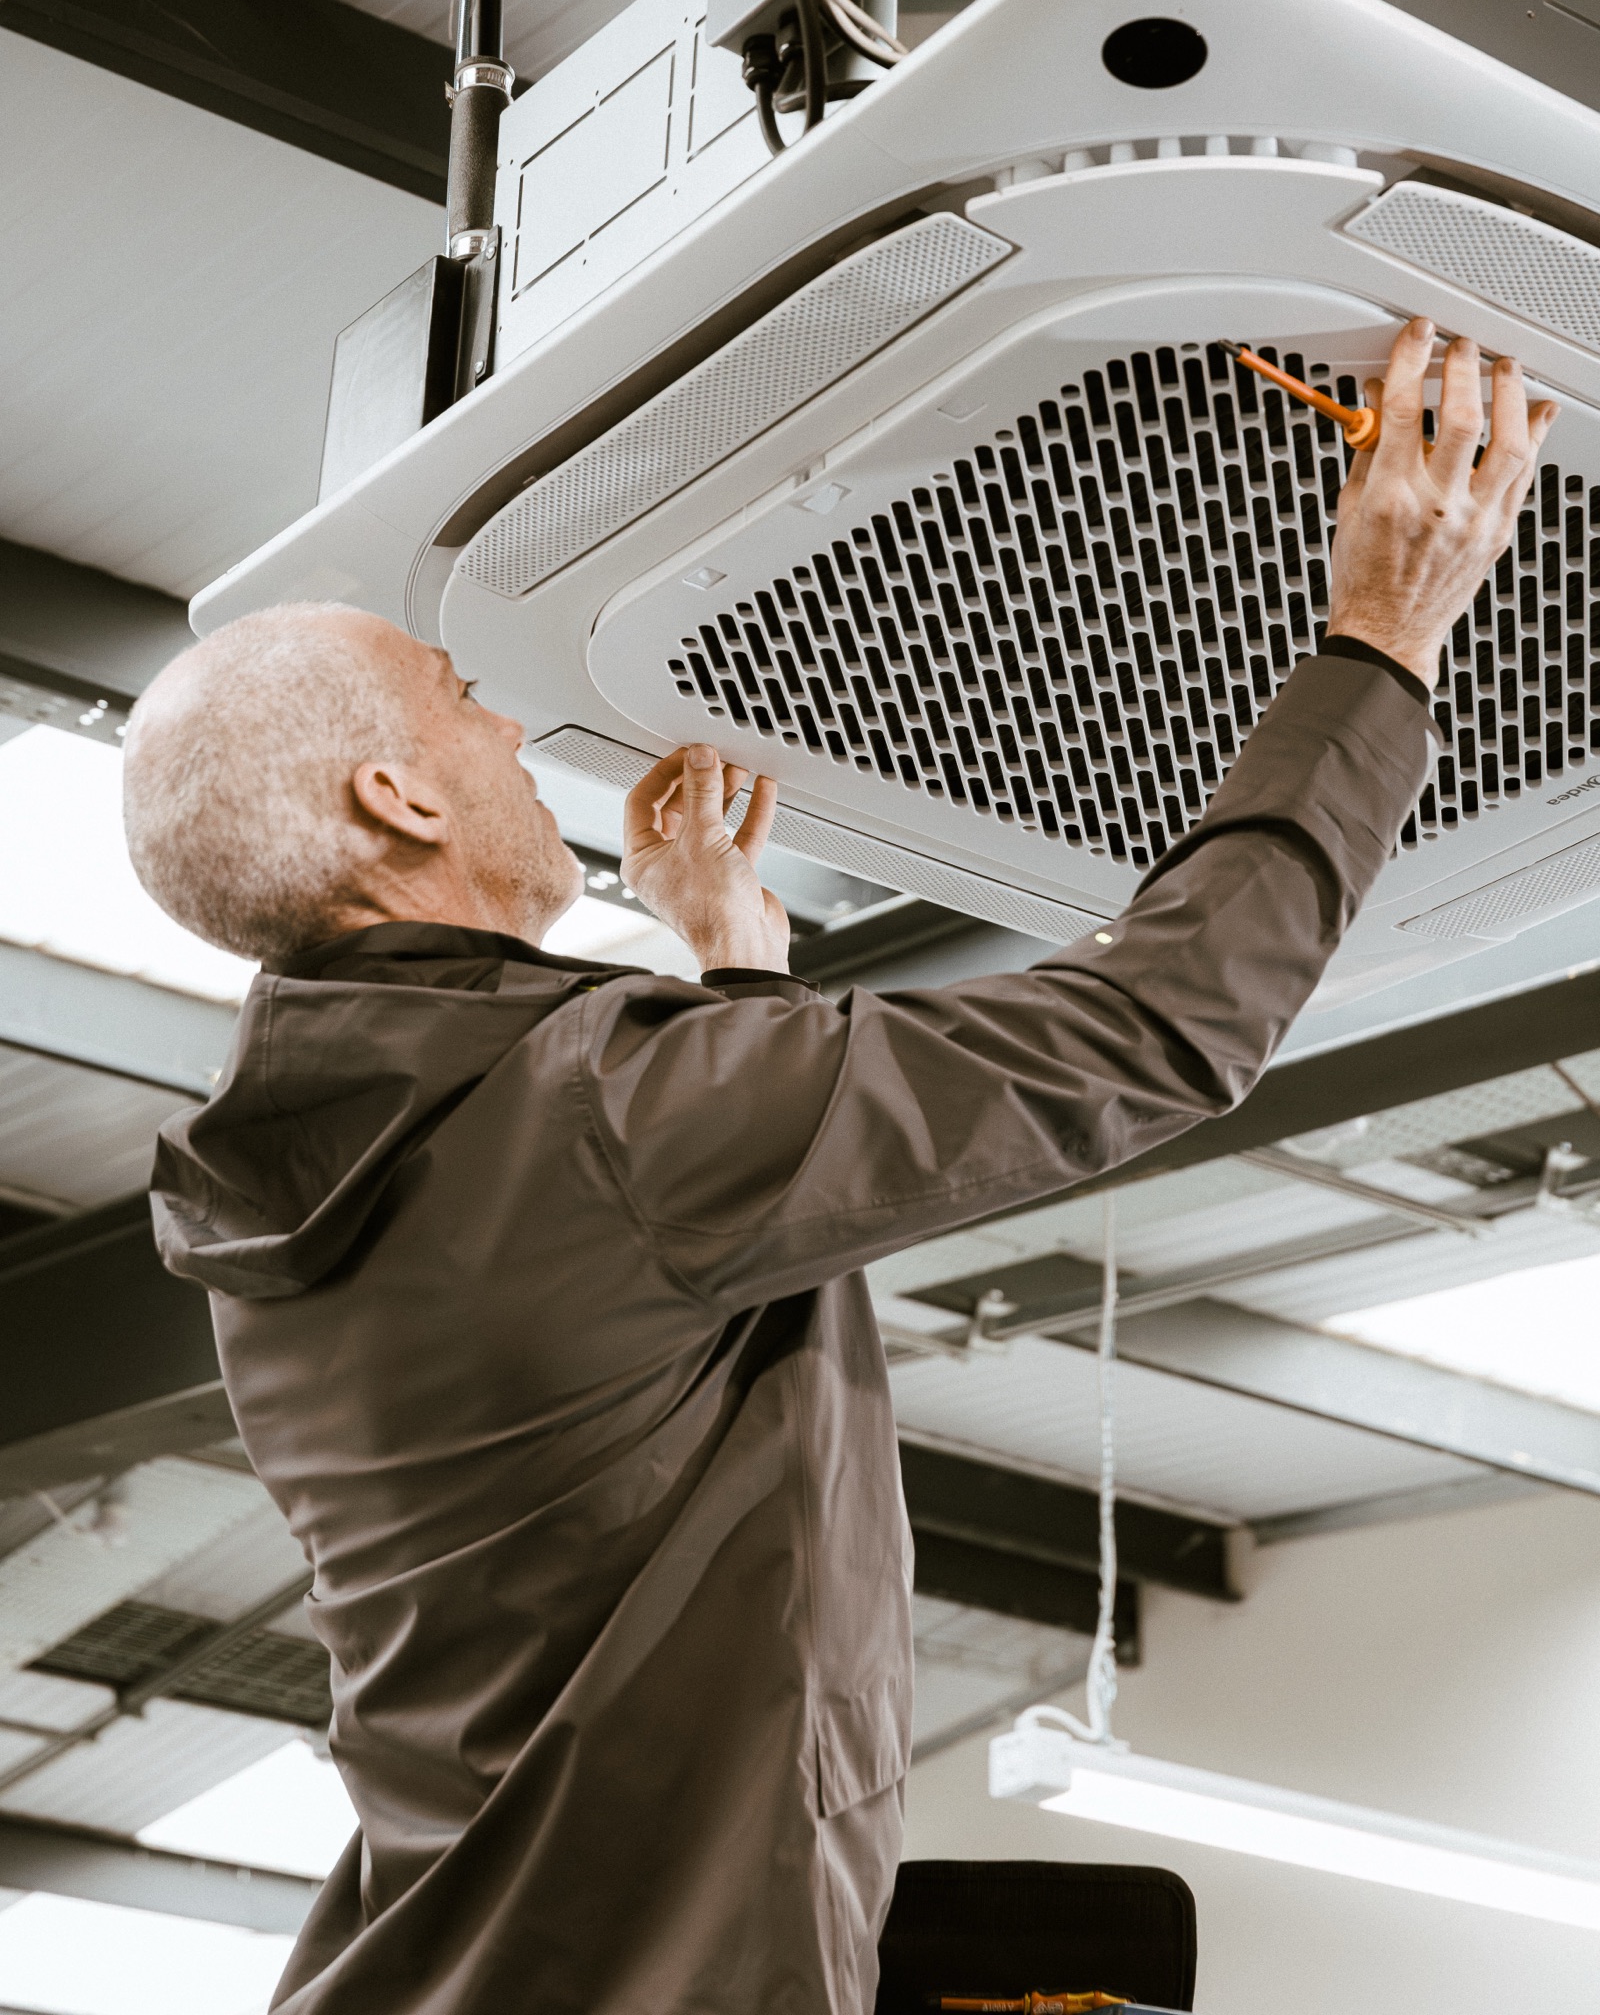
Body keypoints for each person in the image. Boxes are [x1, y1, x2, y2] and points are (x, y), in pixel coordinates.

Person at [123, 321, 1550, 2014]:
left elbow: (640, 1298)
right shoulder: (608, 1111)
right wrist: (1382, 634)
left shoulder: (309, 1194)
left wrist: (733, 975)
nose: (504, 723)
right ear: (397, 798)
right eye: (460, 703)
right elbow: (1156, 1028)